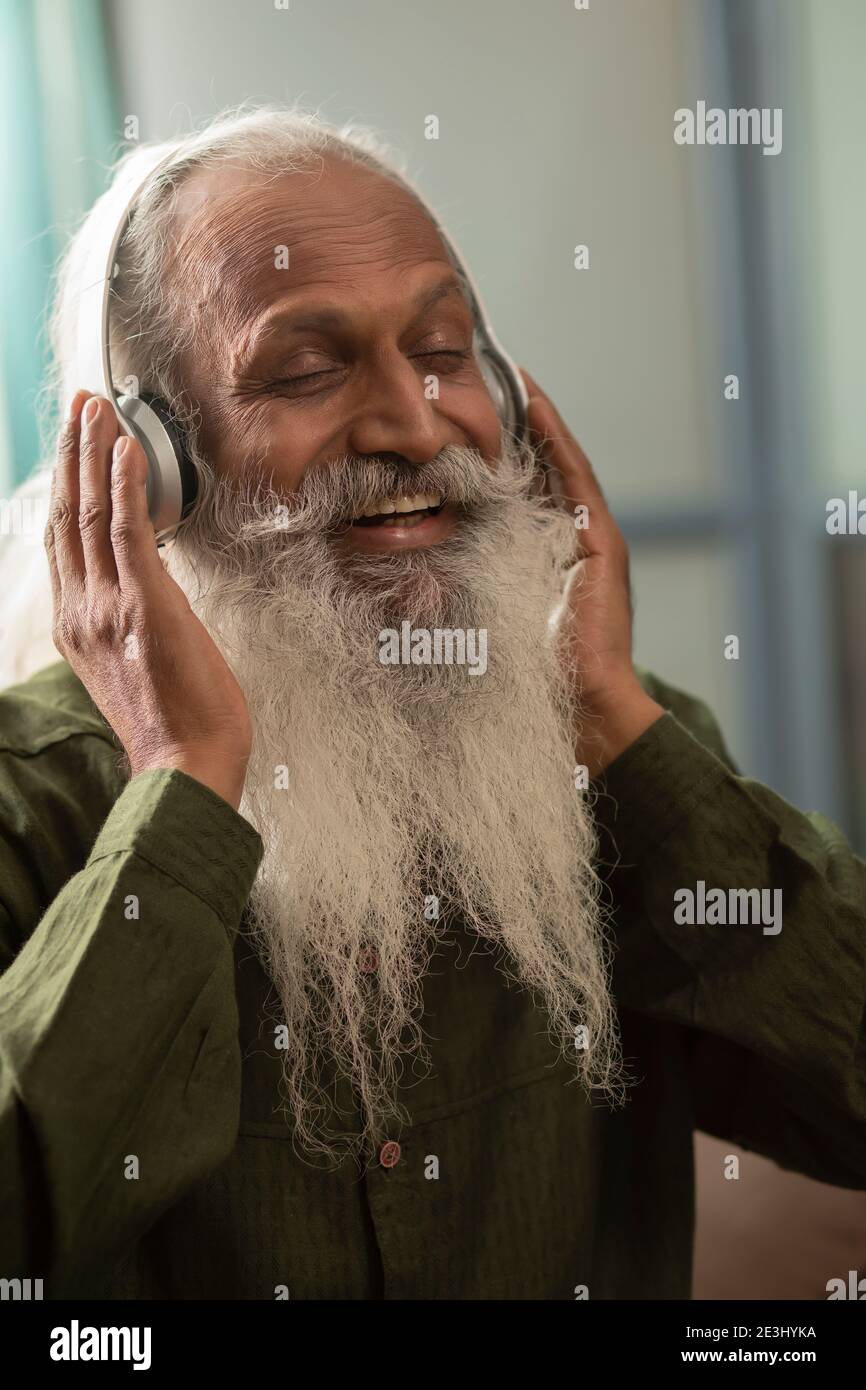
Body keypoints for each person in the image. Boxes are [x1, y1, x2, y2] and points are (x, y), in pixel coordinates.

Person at [0, 106, 864, 1301]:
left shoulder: (610, 748)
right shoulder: (28, 805)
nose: (414, 422)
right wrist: (181, 783)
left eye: (446, 350)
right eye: (304, 370)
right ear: (146, 461)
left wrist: (609, 717)